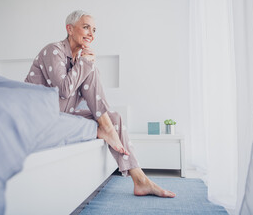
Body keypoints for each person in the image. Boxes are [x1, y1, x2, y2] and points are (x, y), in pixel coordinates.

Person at [25, 10, 175, 198]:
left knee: (115, 119)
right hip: (41, 116)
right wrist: (86, 64)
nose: (91, 34)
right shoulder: (53, 50)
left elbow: (84, 94)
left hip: (64, 115)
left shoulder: (79, 59)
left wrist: (86, 64)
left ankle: (140, 180)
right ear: (69, 29)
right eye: (86, 27)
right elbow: (63, 89)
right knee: (91, 71)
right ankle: (105, 128)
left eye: (94, 30)